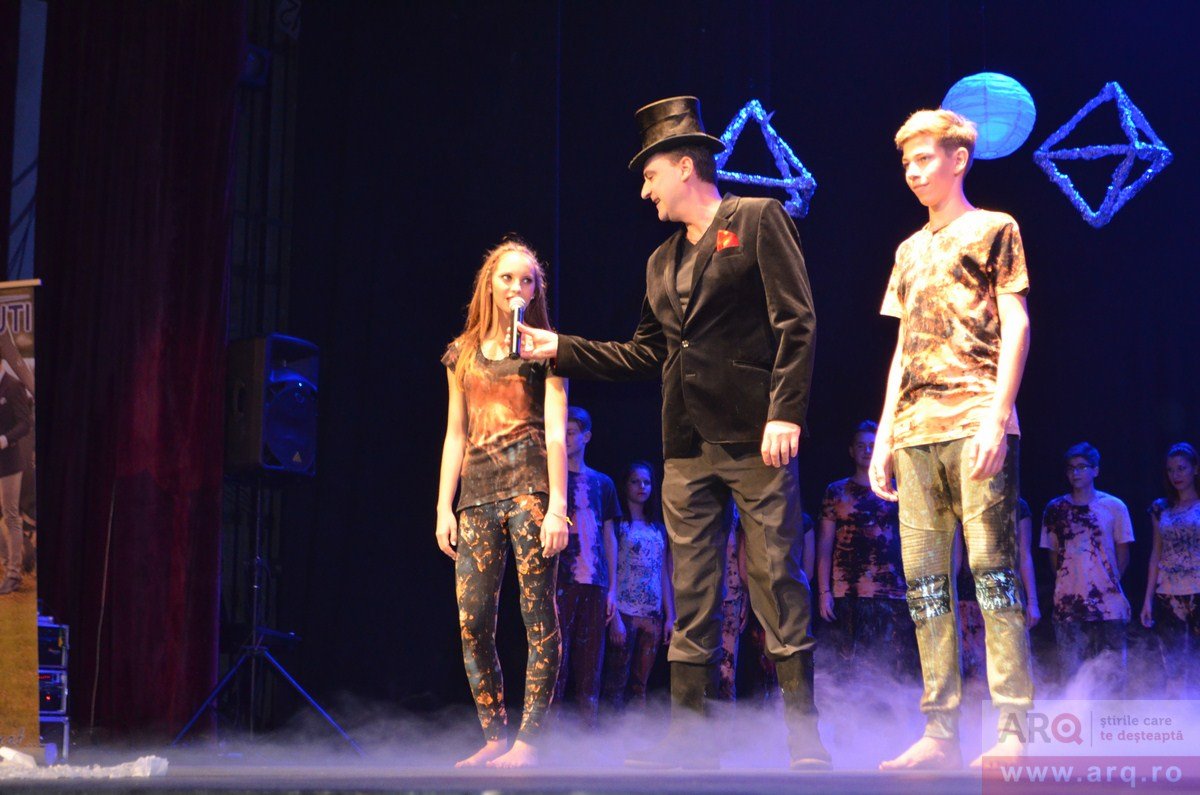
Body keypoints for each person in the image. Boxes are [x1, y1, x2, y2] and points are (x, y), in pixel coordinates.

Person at [518, 96, 827, 769]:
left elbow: (796, 322)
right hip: (686, 446)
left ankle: (805, 735)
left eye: (650, 175)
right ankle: (690, 738)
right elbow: (646, 352)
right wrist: (560, 349)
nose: (645, 190)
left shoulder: (758, 218)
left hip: (755, 435)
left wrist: (786, 411)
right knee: (692, 589)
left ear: (685, 166)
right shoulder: (660, 261)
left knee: (776, 576)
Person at [868, 109, 1033, 770]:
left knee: (993, 573)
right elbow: (903, 348)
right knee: (926, 585)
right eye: (906, 162)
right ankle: (940, 730)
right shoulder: (908, 250)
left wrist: (998, 415)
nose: (913, 172)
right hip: (915, 434)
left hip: (974, 421)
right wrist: (883, 436)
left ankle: (1014, 727)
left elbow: (1017, 323)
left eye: (925, 159)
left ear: (958, 159)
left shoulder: (994, 228)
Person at [435, 238, 569, 768]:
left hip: (531, 492)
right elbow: (455, 433)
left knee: (538, 616)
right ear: (489, 284)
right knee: (473, 620)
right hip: (477, 497)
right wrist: (443, 506)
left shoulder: (547, 350)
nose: (517, 287)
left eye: (527, 280)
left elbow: (556, 432)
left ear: (536, 290)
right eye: (507, 278)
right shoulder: (462, 353)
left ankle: (530, 742)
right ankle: (494, 735)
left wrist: (558, 506)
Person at [816, 420, 916, 680]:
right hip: (847, 590)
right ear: (851, 451)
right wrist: (824, 591)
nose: (867, 450)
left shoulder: (898, 490)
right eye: (861, 445)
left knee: (891, 667)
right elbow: (825, 545)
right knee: (849, 668)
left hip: (893, 590)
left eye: (872, 445)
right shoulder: (836, 491)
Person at [1040, 443, 1133, 695]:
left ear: (1095, 470)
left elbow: (1123, 553)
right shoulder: (1055, 509)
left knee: (1112, 674)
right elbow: (1053, 554)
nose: (1075, 473)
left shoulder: (1114, 506)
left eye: (1082, 467)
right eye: (1071, 468)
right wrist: (1069, 583)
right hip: (1068, 603)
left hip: (1108, 603)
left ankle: (1113, 718)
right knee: (1072, 675)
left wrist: (1108, 584)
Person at [554, 406, 620, 727]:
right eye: (562, 432)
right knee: (556, 662)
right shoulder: (553, 481)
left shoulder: (603, 483)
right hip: (561, 581)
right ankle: (548, 734)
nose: (565, 438)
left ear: (586, 437)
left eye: (571, 432)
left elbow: (609, 536)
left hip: (595, 582)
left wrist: (613, 589)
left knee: (591, 663)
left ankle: (587, 732)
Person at [603, 461, 674, 710]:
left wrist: (670, 616)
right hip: (624, 612)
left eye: (647, 482)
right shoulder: (618, 525)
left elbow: (663, 572)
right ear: (625, 485)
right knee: (616, 683)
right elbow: (609, 569)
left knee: (640, 685)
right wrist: (614, 618)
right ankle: (611, 730)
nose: (642, 487)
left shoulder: (658, 528)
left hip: (652, 614)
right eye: (635, 481)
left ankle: (636, 730)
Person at [1140, 442, 1200, 697]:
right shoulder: (1160, 507)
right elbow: (1156, 553)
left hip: (1198, 590)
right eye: (1171, 470)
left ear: (1195, 469)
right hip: (1168, 593)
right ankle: (1177, 715)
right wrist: (1147, 600)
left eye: (1181, 468)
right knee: (1173, 666)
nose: (1176, 475)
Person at [0, 362, 32, 595]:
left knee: (11, 516)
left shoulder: (13, 386)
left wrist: (4, 439)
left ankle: (14, 574)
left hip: (9, 462)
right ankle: (7, 561)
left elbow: (25, 424)